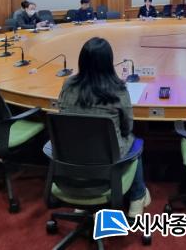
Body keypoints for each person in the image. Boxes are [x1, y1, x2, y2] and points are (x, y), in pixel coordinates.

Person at [57, 37, 150, 217]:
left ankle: (82, 200)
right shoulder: (118, 89)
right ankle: (137, 198)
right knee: (135, 143)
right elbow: (128, 126)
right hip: (108, 160)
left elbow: (63, 114)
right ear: (109, 62)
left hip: (70, 158)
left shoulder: (68, 85)